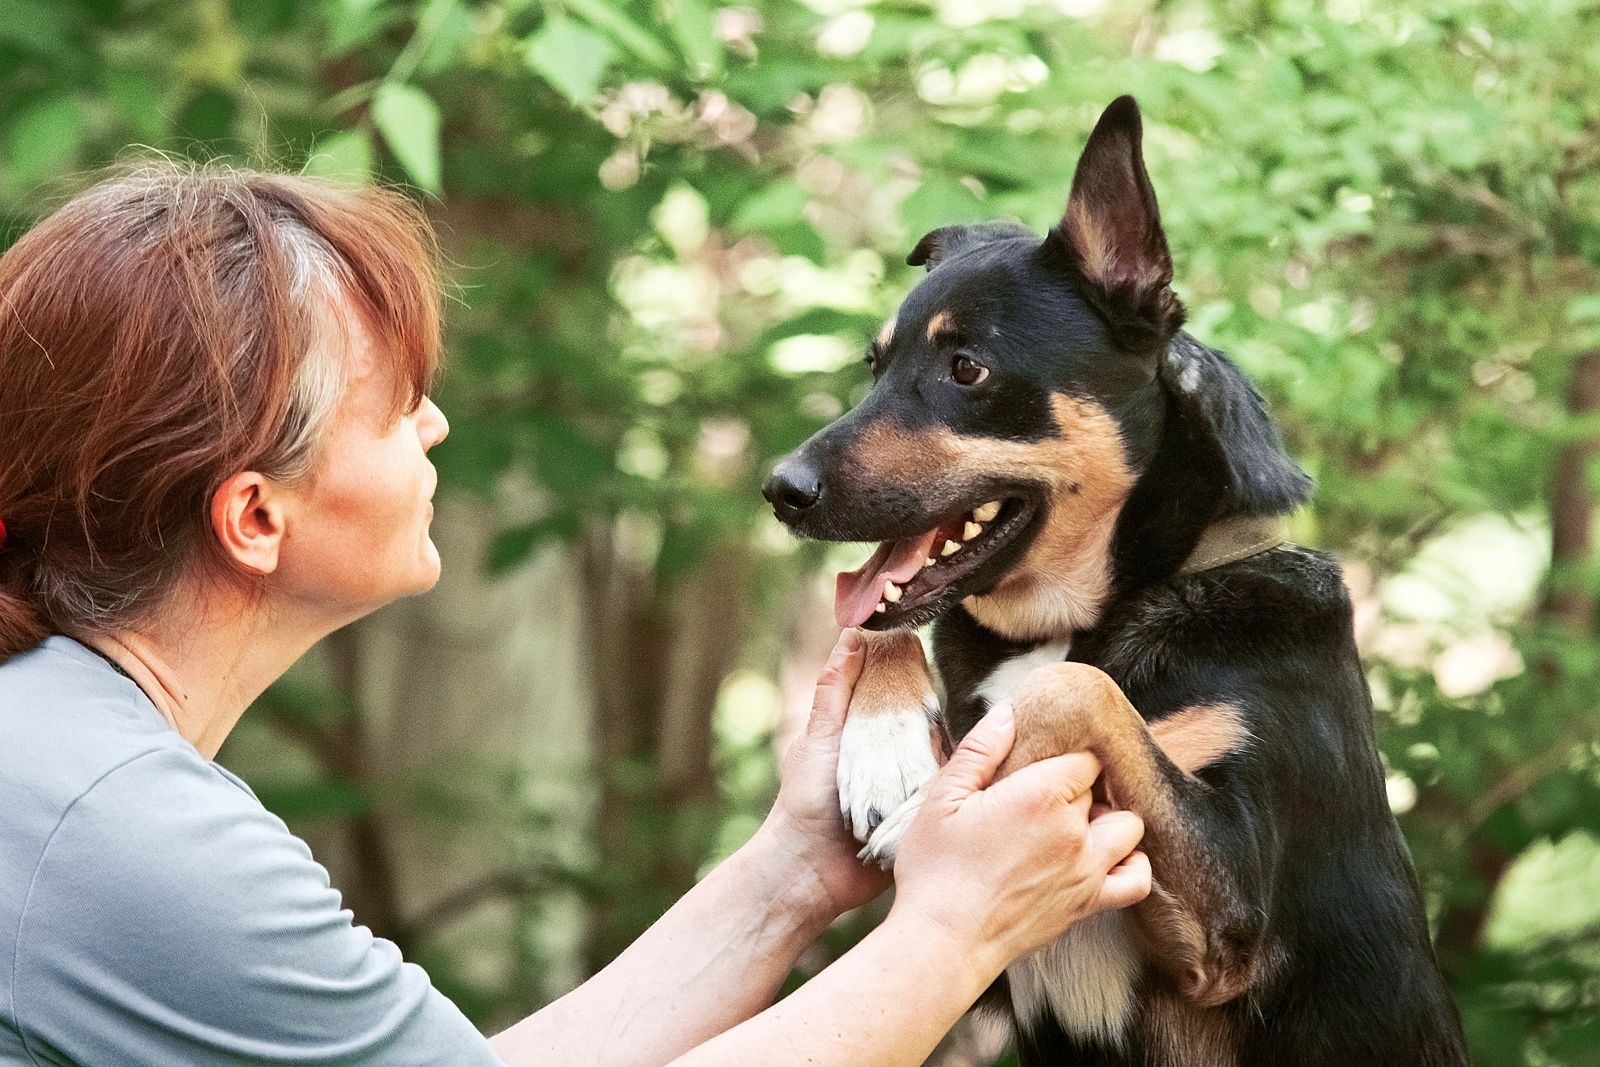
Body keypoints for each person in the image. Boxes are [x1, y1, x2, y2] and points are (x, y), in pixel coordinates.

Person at [0, 164, 1150, 1067]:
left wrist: (792, 873)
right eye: (397, 404)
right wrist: (953, 931)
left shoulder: (61, 762)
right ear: (254, 515)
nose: (439, 425)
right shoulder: (117, 828)